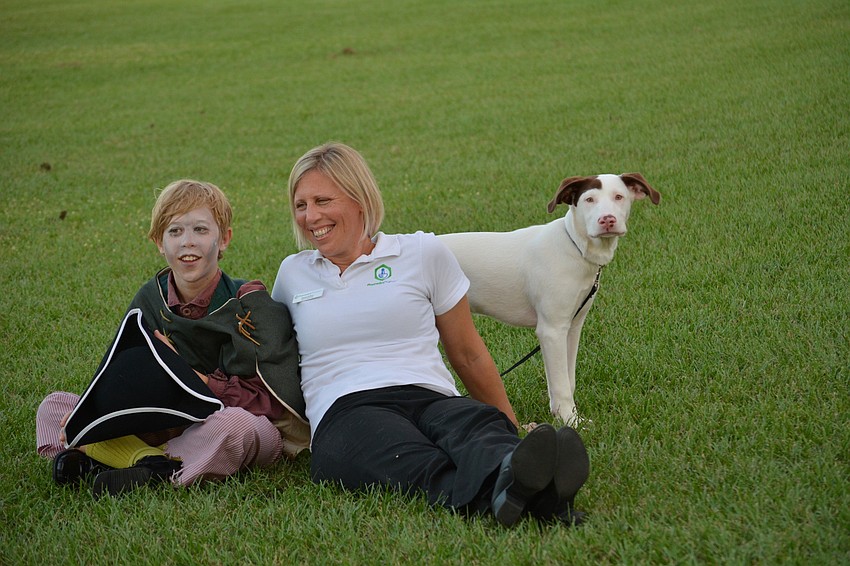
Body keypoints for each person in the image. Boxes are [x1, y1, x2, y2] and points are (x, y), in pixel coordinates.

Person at [270, 142, 590, 526]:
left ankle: (513, 464)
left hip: (429, 395)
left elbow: (468, 353)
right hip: (347, 409)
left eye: (323, 200)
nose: (310, 216)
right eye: (301, 205)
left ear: (360, 199)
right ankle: (539, 498)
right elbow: (271, 357)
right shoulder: (293, 273)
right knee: (399, 453)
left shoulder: (422, 252)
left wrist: (509, 422)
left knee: (475, 427)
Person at [36, 179, 309, 497]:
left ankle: (111, 460)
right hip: (163, 424)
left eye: (201, 230)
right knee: (55, 407)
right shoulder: (150, 299)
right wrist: (90, 409)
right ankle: (148, 463)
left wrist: (185, 374)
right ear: (159, 243)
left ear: (224, 240)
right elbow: (119, 375)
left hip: (229, 423)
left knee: (236, 428)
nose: (187, 243)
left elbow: (269, 404)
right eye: (175, 231)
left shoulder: (248, 303)